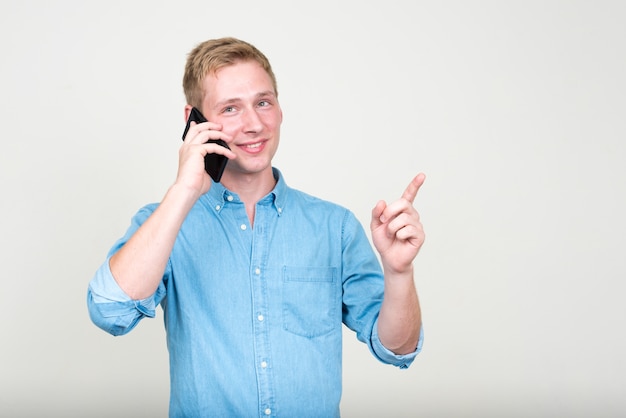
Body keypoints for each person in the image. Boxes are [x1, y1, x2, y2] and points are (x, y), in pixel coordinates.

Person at [87, 37, 425, 417]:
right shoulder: (165, 222)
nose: (254, 124)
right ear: (194, 121)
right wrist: (184, 190)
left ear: (280, 110)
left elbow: (397, 348)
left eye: (263, 102)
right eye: (230, 108)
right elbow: (109, 313)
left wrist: (399, 272)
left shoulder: (335, 227)